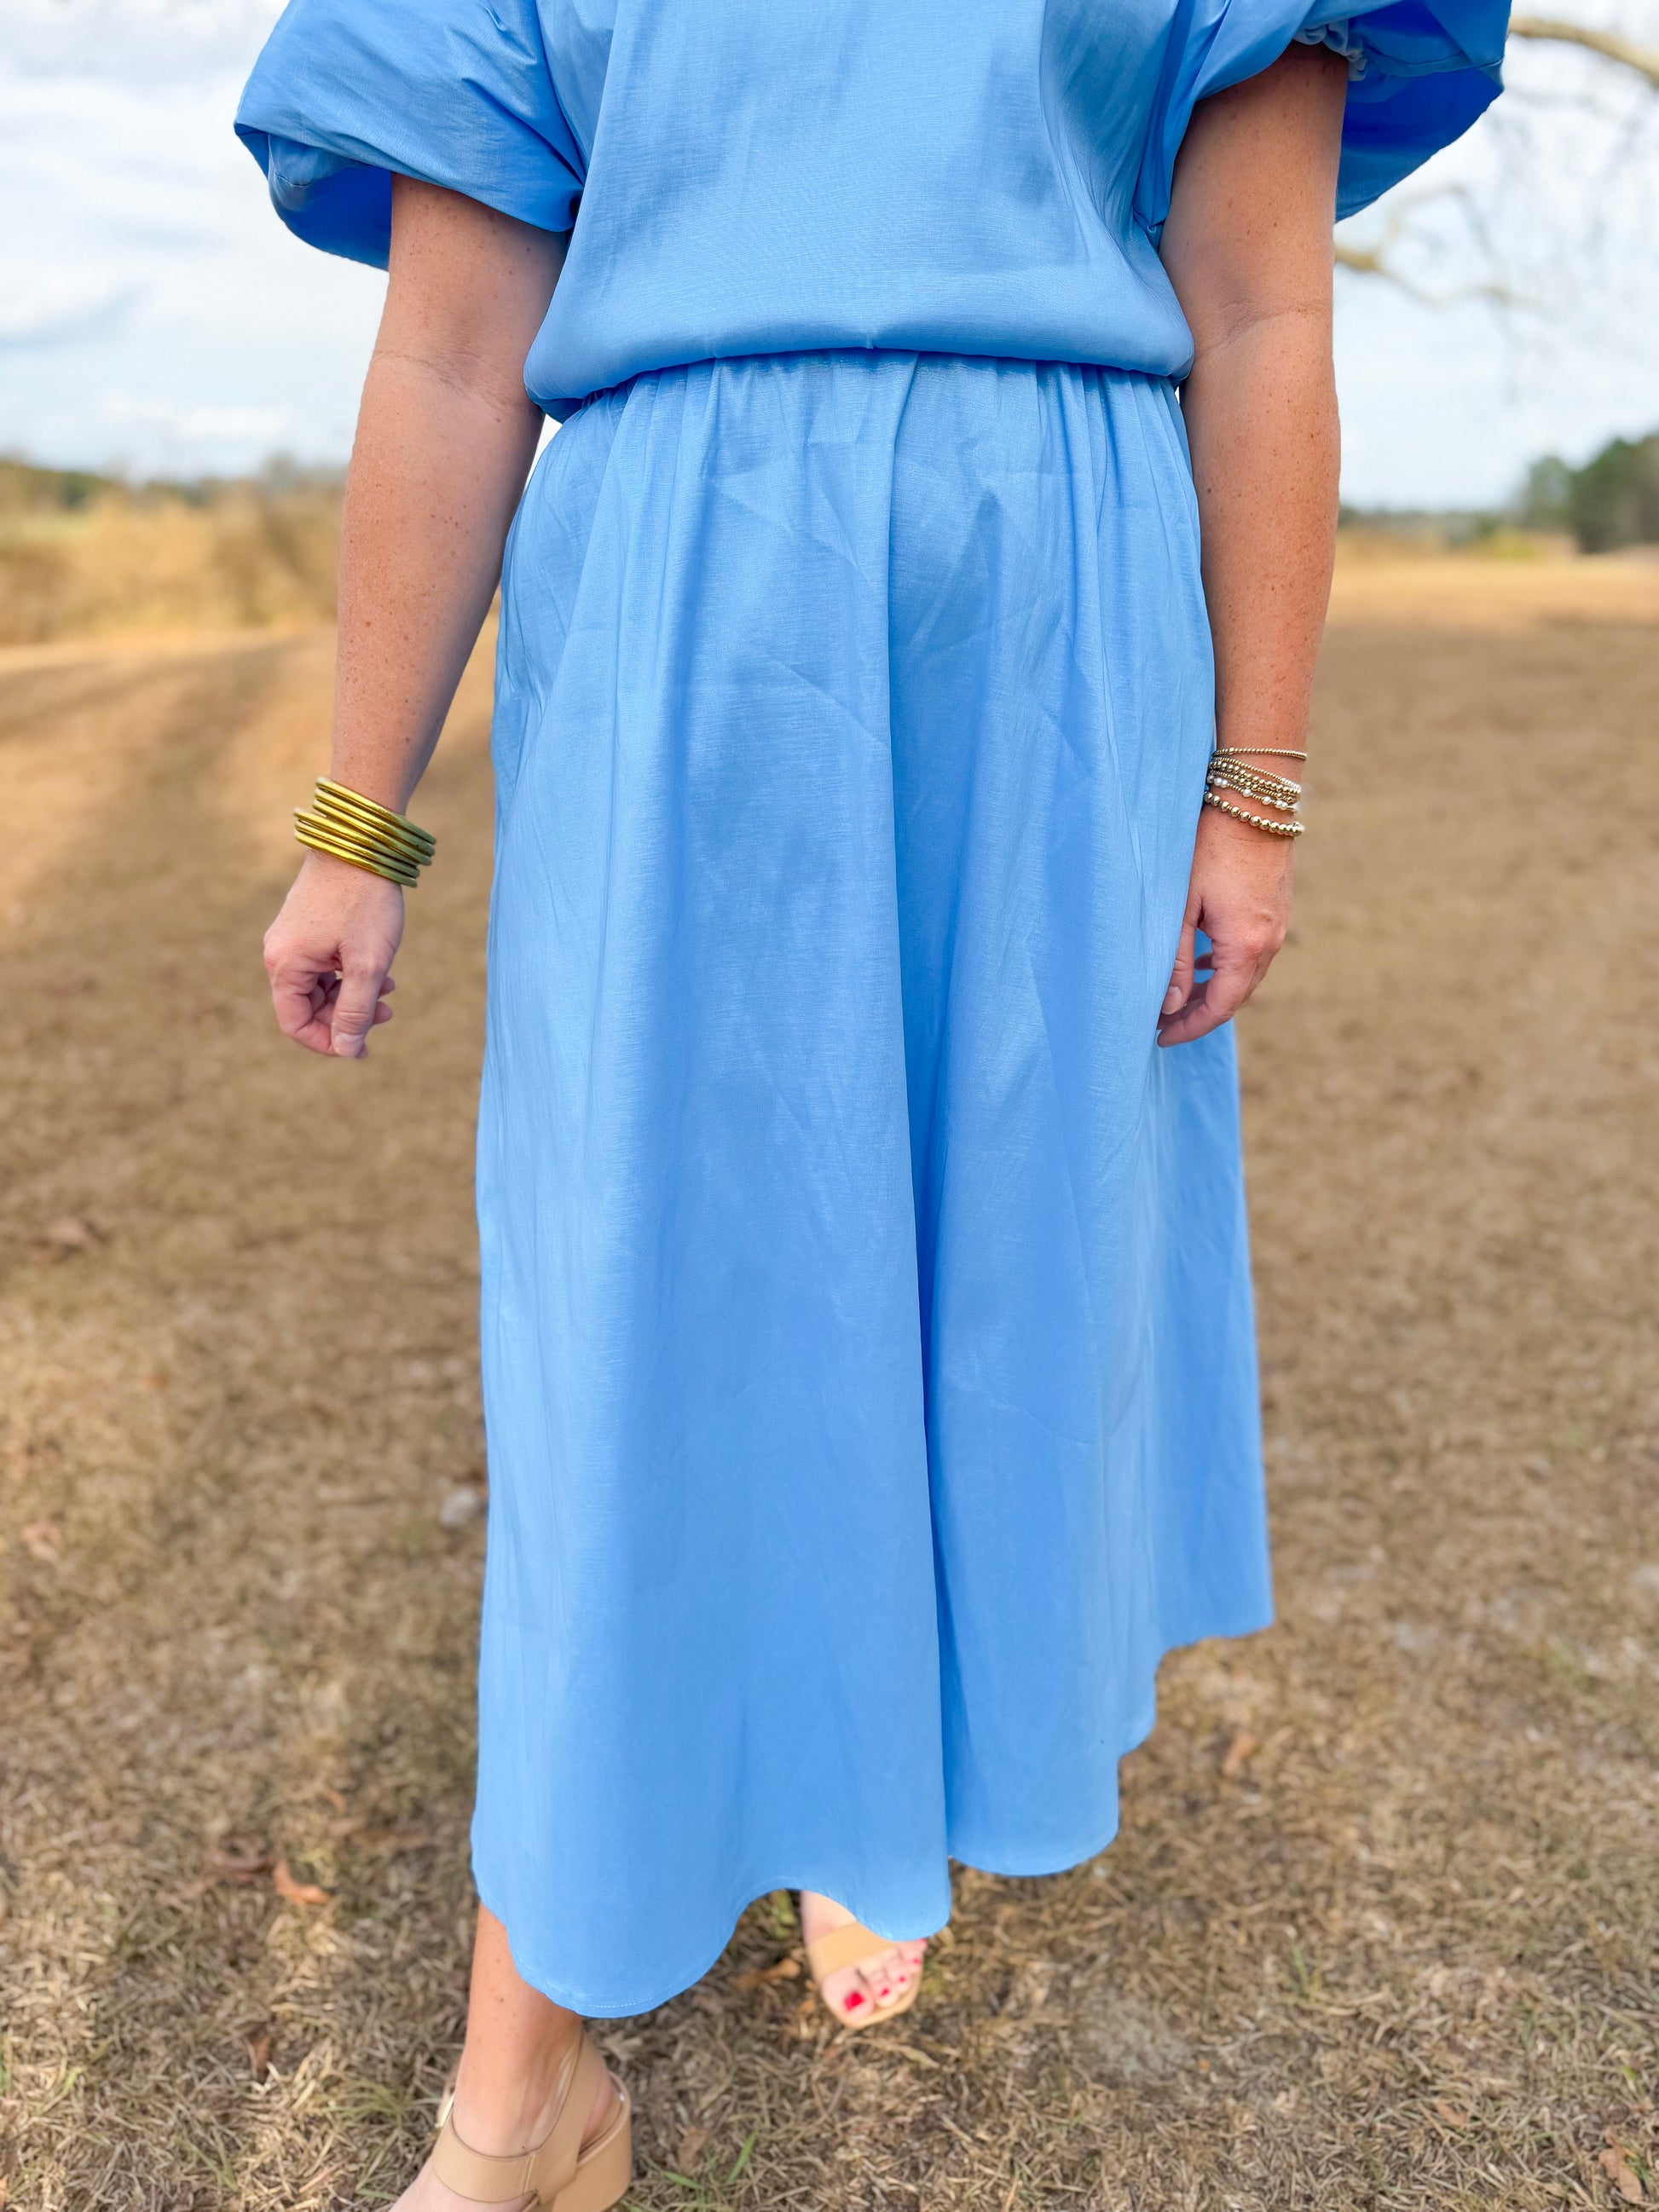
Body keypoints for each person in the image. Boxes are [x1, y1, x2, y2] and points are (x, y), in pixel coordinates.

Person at [243, 0, 1507, 2203]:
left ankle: (869, 1791)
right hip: (673, 614)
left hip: (1052, 618)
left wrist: (1257, 788)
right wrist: (358, 821)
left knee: (982, 1265)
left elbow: (1259, 304)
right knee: (641, 1320)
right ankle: (520, 2094)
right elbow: (448, 356)